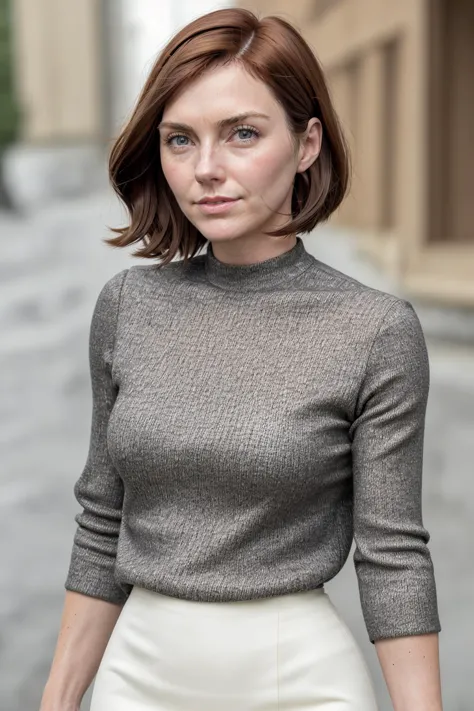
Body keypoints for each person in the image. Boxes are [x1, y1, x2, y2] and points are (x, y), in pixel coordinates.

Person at [40, 8, 443, 711]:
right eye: (179, 139)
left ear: (307, 142)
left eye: (243, 134)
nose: (205, 170)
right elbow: (102, 519)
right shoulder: (129, 306)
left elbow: (393, 555)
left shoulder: (374, 330)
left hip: (303, 685)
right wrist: (58, 698)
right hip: (137, 681)